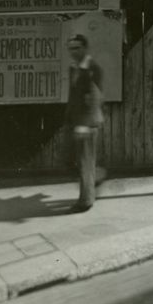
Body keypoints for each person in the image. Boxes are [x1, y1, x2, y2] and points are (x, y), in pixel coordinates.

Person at [65, 34, 103, 213]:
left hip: (86, 124)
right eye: (71, 48)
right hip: (76, 121)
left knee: (85, 162)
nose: (73, 52)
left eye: (77, 48)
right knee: (81, 162)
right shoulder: (75, 68)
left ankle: (85, 201)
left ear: (85, 48)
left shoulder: (91, 69)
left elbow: (94, 98)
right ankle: (94, 182)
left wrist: (84, 125)